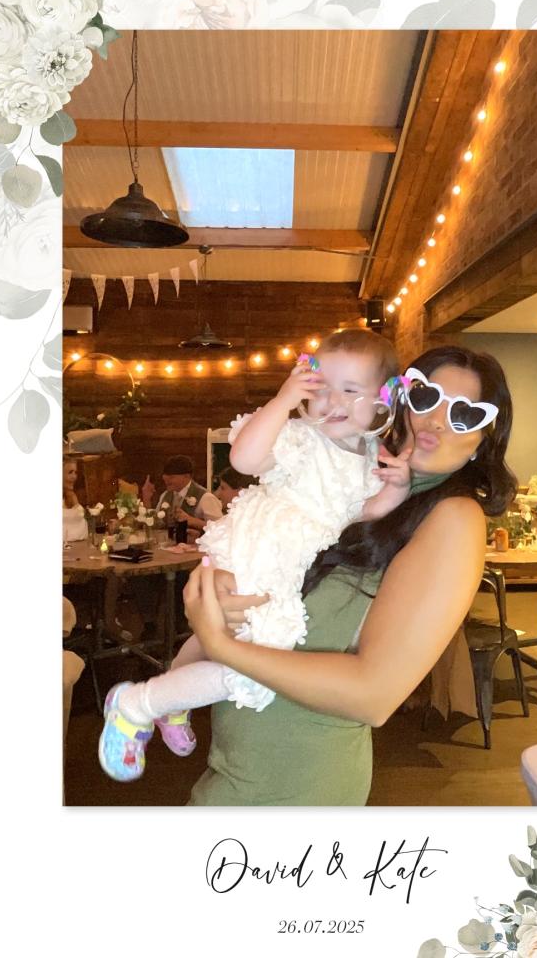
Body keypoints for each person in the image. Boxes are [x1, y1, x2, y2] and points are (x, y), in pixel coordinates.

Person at [180, 343, 518, 806]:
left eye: (464, 415)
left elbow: (373, 695)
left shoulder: (453, 518)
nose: (437, 420)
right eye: (425, 397)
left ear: (484, 440)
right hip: (236, 765)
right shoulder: (361, 481)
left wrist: (220, 644)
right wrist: (221, 582)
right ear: (397, 399)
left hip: (297, 785)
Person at [98, 329, 410, 781]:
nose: (333, 401)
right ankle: (136, 705)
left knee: (218, 634)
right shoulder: (300, 436)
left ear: (382, 401)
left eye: (350, 390)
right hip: (263, 549)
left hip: (295, 562)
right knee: (255, 665)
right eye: (322, 388)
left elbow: (360, 514)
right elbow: (244, 461)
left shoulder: (369, 455)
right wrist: (282, 402)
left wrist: (394, 492)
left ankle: (169, 699)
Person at [141, 455, 222, 535]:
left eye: (171, 477)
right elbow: (155, 524)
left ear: (187, 476)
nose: (166, 480)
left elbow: (221, 528)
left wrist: (192, 520)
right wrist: (147, 499)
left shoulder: (205, 497)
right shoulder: (165, 495)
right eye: (165, 477)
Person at [62, 457, 88, 543]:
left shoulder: (71, 495)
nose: (74, 477)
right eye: (70, 472)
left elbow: (80, 516)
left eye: (75, 472)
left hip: (80, 544)